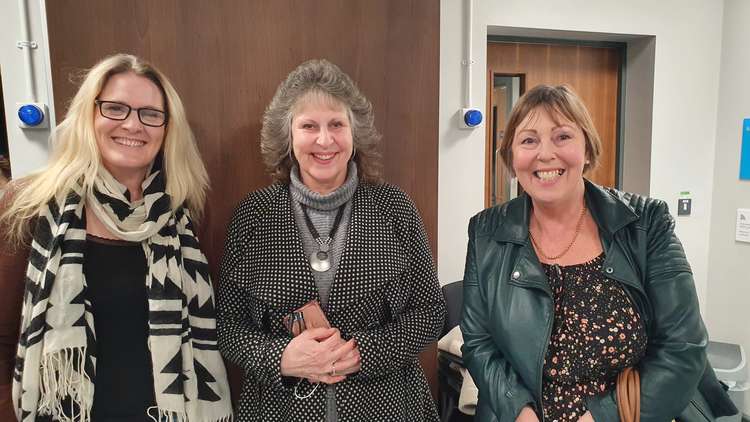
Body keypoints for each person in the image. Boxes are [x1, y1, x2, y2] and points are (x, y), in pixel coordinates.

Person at [460, 84, 737, 422]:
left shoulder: (646, 223)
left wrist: (602, 418)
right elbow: (479, 342)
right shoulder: (486, 232)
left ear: (588, 150)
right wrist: (520, 412)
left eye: (562, 137)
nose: (545, 153)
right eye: (528, 140)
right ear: (511, 158)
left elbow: (684, 347)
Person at [0, 54, 232, 422]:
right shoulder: (33, 205)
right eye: (115, 108)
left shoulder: (185, 214)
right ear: (88, 115)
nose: (133, 124)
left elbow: (215, 329)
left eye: (149, 113)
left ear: (167, 128)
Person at [217, 59, 446, 421]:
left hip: (386, 406)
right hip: (279, 409)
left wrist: (364, 352)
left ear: (355, 134)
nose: (324, 140)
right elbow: (228, 324)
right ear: (288, 136)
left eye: (336, 124)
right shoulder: (251, 215)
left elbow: (431, 312)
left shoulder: (395, 207)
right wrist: (280, 358)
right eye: (309, 125)